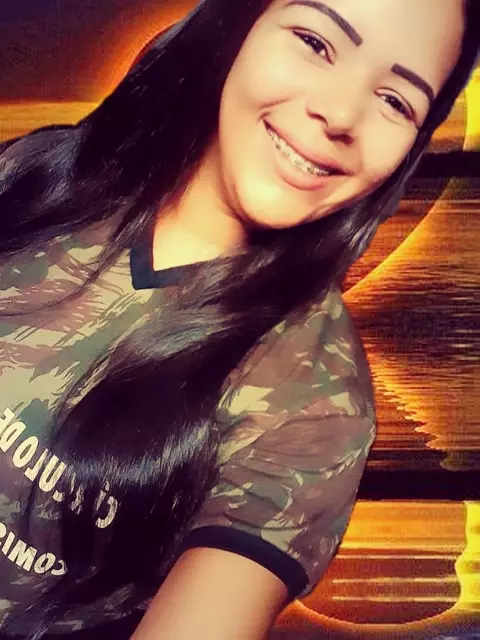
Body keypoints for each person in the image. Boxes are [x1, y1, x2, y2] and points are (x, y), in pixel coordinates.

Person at [0, 0, 478, 638]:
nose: (340, 114)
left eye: (396, 101)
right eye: (315, 42)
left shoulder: (313, 405)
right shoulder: (44, 173)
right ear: (239, 23)